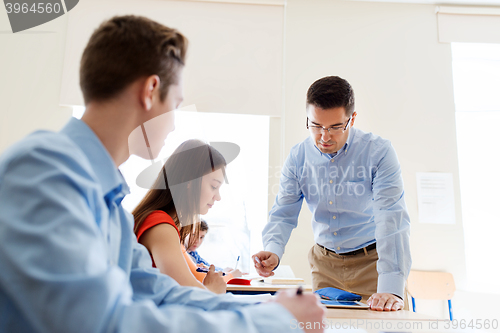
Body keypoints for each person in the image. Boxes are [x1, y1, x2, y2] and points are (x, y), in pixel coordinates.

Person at [0, 15, 325, 333]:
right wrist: (273, 322)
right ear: (150, 90)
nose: (173, 123)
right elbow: (99, 323)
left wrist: (269, 309)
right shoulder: (45, 171)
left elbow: (159, 293)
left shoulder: (110, 202)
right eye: (177, 103)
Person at [253, 76, 411, 312]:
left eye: (335, 127)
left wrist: (390, 285)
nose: (324, 137)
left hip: (373, 263)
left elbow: (391, 218)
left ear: (352, 119)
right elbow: (283, 213)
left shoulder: (378, 152)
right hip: (324, 266)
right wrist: (274, 250)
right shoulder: (298, 157)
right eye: (316, 126)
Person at [133, 139, 231, 294]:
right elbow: (189, 295)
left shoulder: (160, 222)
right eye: (214, 186)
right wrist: (213, 290)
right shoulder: (160, 226)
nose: (217, 197)